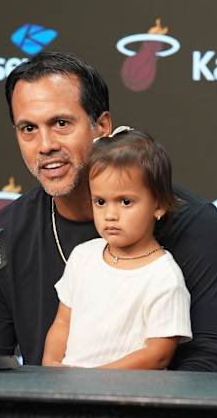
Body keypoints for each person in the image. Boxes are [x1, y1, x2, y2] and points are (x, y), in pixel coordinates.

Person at [0, 51, 217, 371]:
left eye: (61, 123)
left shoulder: (192, 221)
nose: (45, 145)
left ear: (102, 126)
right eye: (28, 128)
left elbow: (210, 356)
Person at [42, 128, 192, 368]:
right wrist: (51, 365)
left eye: (125, 202)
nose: (110, 215)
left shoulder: (164, 277)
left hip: (122, 390)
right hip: (69, 386)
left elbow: (158, 354)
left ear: (159, 205)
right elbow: (63, 323)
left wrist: (95, 380)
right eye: (100, 201)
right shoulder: (83, 256)